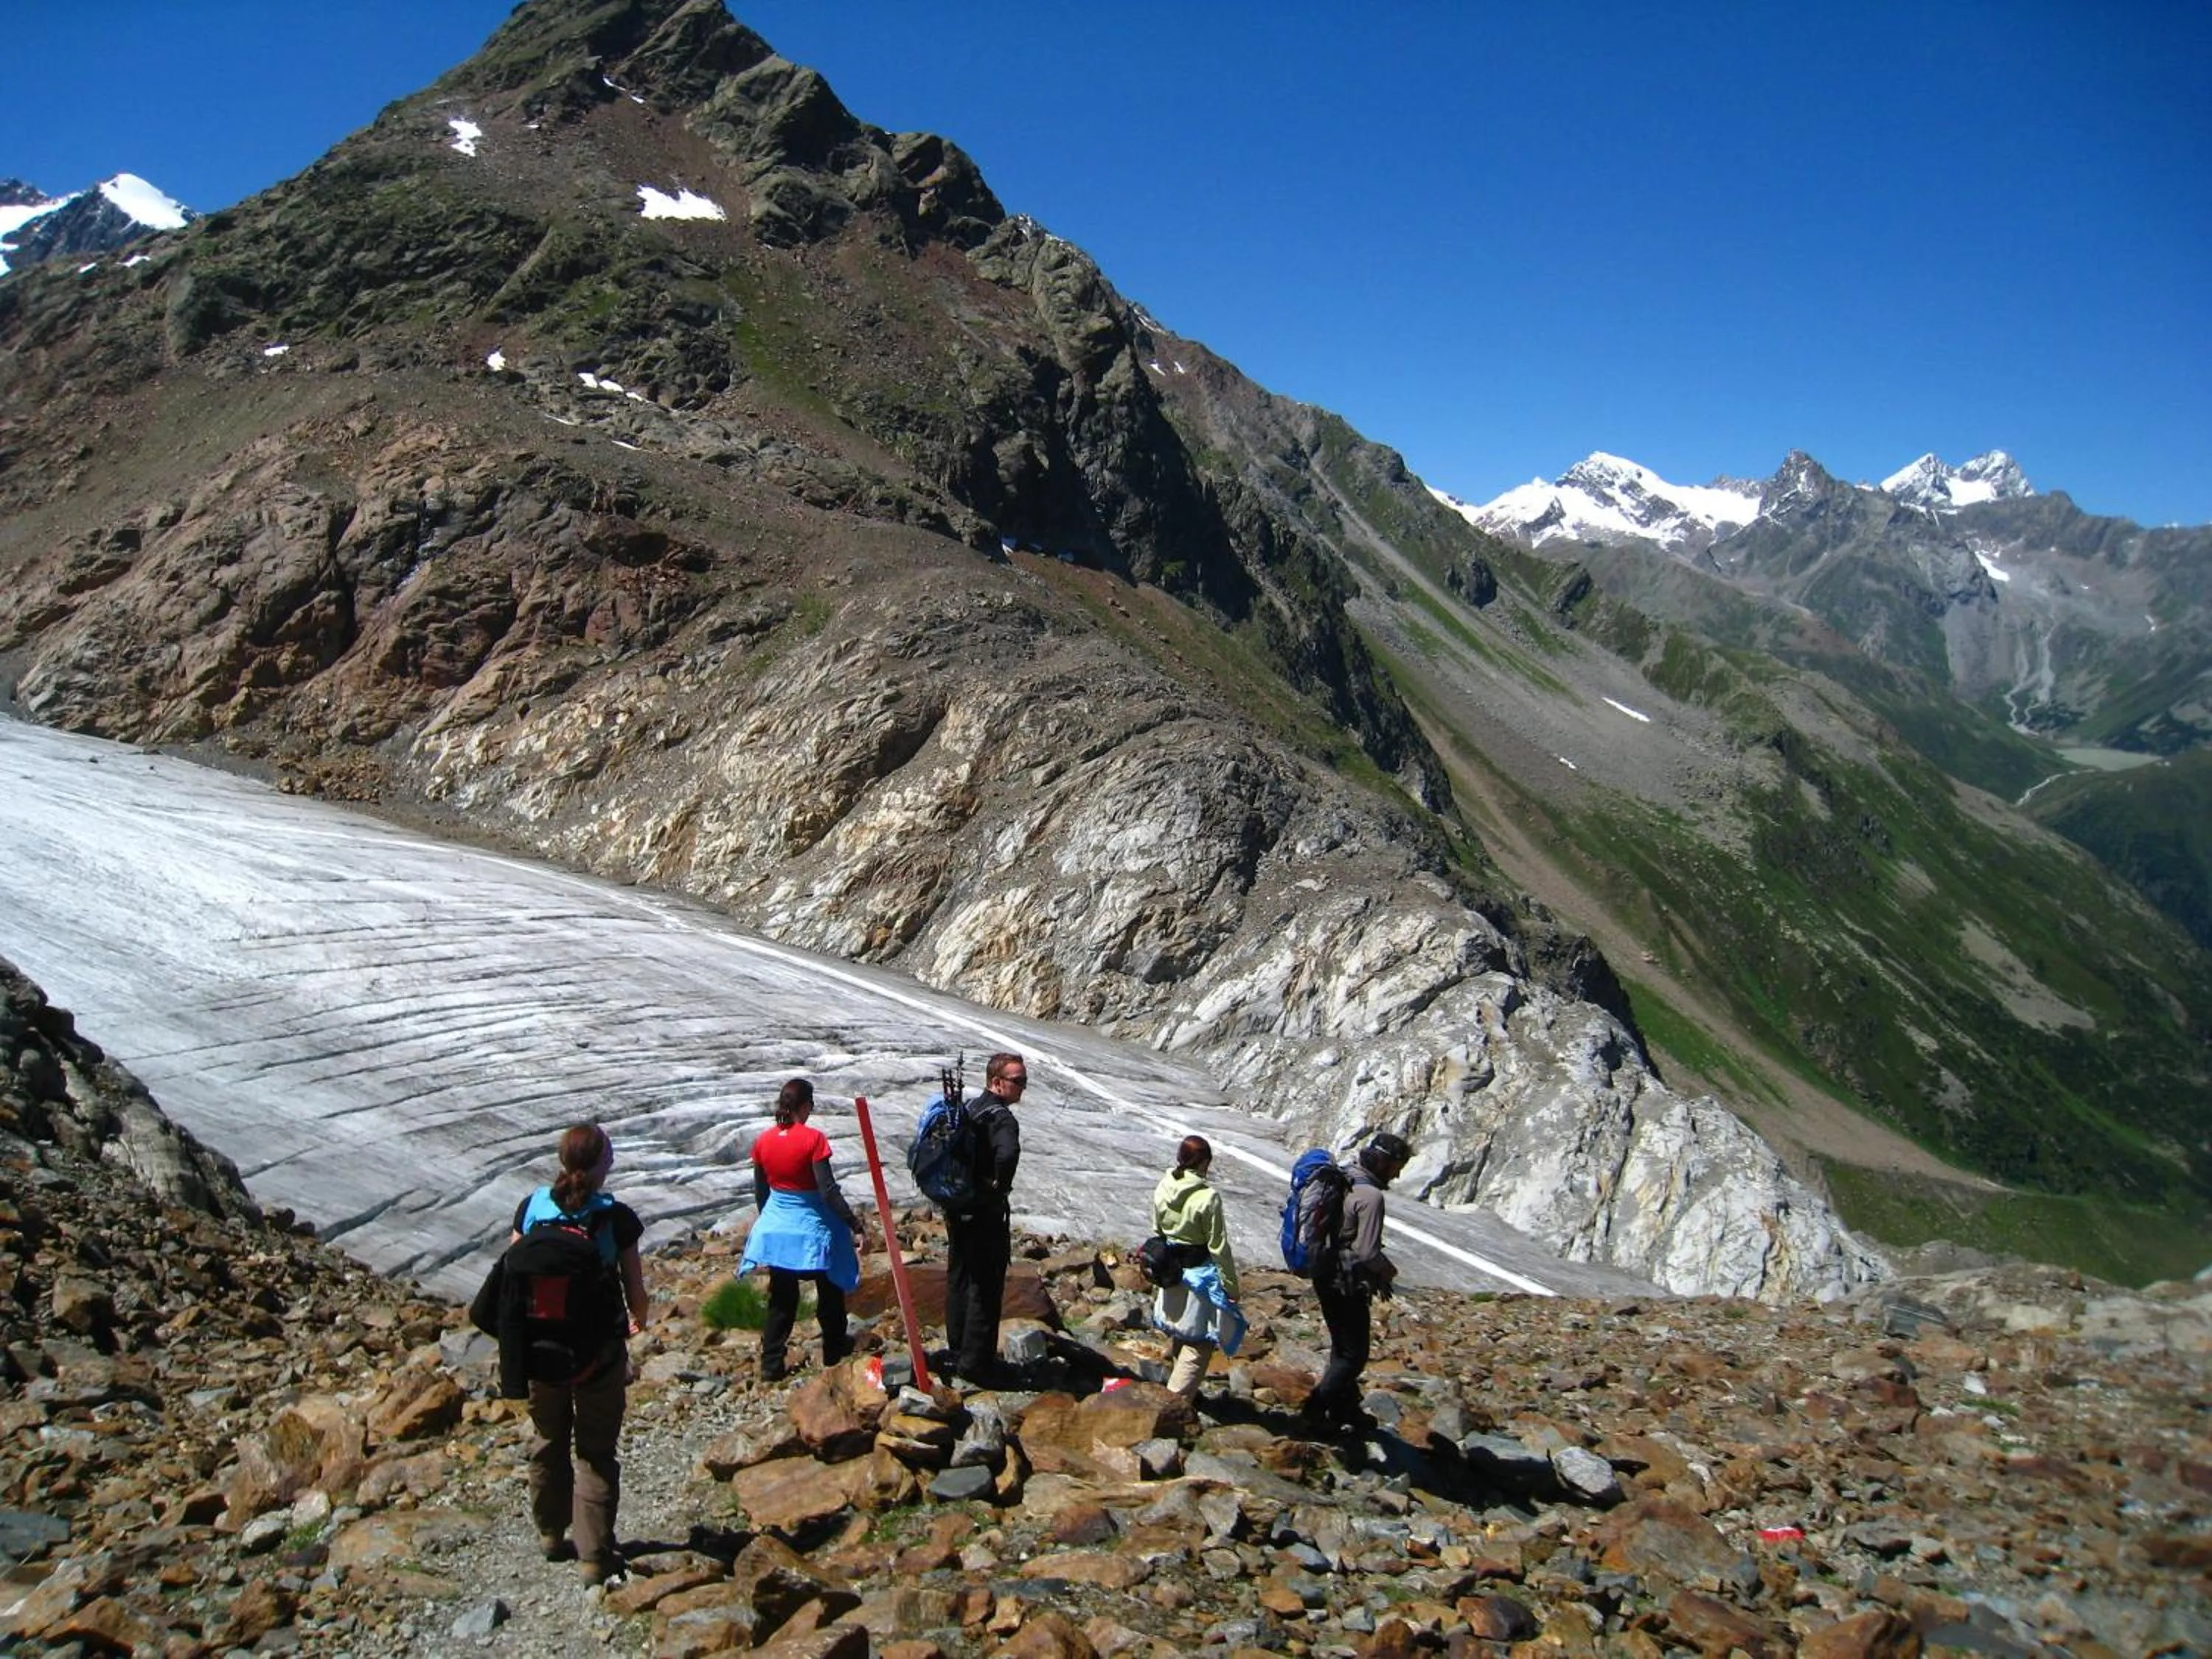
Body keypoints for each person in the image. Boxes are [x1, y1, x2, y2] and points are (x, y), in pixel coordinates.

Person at [511, 1123, 647, 1585]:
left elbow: (513, 1274)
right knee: (595, 1450)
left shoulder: (533, 1209)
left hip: (539, 1349)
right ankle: (594, 1555)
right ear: (601, 1165)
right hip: (598, 1351)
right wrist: (637, 1323)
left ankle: (550, 1533)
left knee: (547, 1440)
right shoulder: (615, 1218)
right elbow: (636, 1290)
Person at [737, 1078, 866, 1382]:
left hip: (776, 1228)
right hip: (813, 1228)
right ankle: (834, 1352)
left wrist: (770, 1220)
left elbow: (761, 1192)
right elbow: (828, 1190)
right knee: (830, 1290)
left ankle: (771, 1363)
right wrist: (854, 1224)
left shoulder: (764, 1141)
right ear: (805, 1105)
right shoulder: (813, 1139)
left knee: (782, 1299)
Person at [1298, 1130, 1409, 1436]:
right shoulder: (1370, 1197)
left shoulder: (1344, 1179)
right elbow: (1367, 1250)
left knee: (1342, 1345)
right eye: (1397, 1167)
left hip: (1325, 1271)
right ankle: (1315, 1410)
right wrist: (1387, 1272)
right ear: (1385, 1164)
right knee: (1354, 1354)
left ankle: (1343, 1407)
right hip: (1346, 1279)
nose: (1398, 1174)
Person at [943, 1051, 1024, 1386]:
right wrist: (998, 1186)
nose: (1023, 1088)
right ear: (997, 1082)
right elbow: (1008, 1153)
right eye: (1018, 1081)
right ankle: (977, 1364)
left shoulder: (971, 1109)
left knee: (959, 1276)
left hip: (958, 1207)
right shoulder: (1001, 1118)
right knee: (985, 1284)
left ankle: (958, 1349)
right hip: (984, 1212)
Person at [1150, 1135, 1245, 1404]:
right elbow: (1218, 1246)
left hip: (1169, 1267)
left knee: (1182, 1330)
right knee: (1201, 1341)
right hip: (1199, 1273)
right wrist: (1231, 1286)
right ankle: (1174, 1402)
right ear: (1203, 1162)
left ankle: (1176, 1390)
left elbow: (1156, 1229)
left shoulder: (1164, 1185)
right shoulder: (1207, 1197)